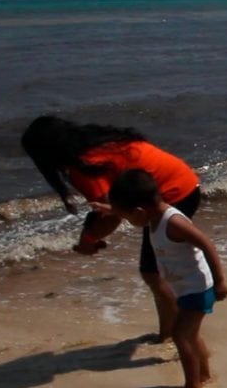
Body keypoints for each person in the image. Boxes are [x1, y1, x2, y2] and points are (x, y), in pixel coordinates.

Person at [21, 115, 201, 342]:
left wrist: (88, 242)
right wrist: (90, 236)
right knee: (156, 267)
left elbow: (110, 215)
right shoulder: (98, 141)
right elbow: (112, 209)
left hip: (173, 194)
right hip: (184, 181)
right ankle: (174, 329)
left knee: (152, 272)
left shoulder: (84, 166)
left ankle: (175, 333)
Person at [108, 169, 227, 388]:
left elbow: (206, 244)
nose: (129, 222)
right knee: (191, 334)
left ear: (139, 211)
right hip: (185, 288)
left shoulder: (173, 223)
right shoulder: (153, 218)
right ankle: (204, 375)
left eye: (127, 218)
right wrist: (110, 209)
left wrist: (220, 281)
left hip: (197, 288)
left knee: (181, 335)